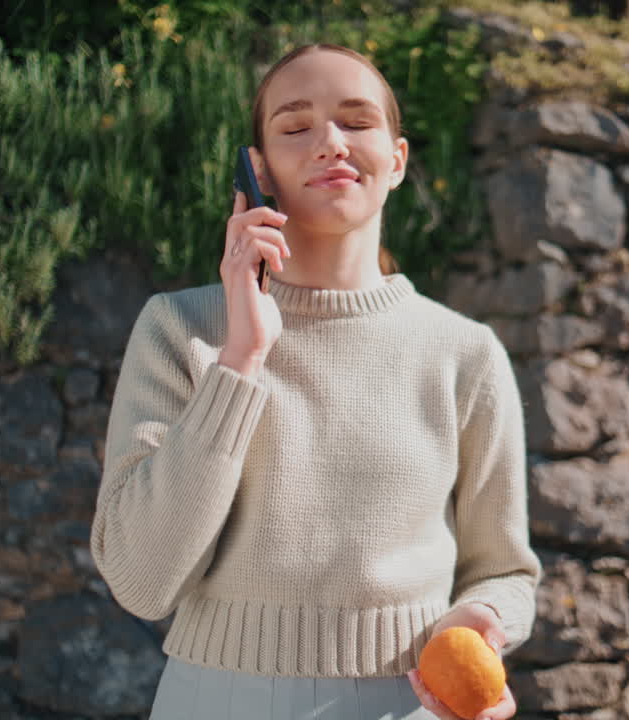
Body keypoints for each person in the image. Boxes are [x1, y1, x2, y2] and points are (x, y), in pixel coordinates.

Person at [88, 43, 541, 720]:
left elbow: (505, 570)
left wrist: (478, 620)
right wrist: (241, 358)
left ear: (398, 159)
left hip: (412, 704)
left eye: (356, 121)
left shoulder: (464, 353)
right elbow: (142, 581)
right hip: (217, 699)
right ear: (259, 171)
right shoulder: (179, 329)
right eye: (296, 127)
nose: (329, 141)